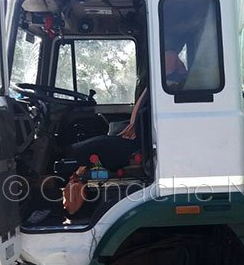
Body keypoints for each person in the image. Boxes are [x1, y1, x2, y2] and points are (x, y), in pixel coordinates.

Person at [62, 50, 186, 214]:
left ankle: (68, 163)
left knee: (78, 150)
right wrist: (133, 124)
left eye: (168, 57)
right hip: (135, 137)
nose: (165, 60)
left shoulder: (171, 84)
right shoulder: (163, 82)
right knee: (94, 142)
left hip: (135, 145)